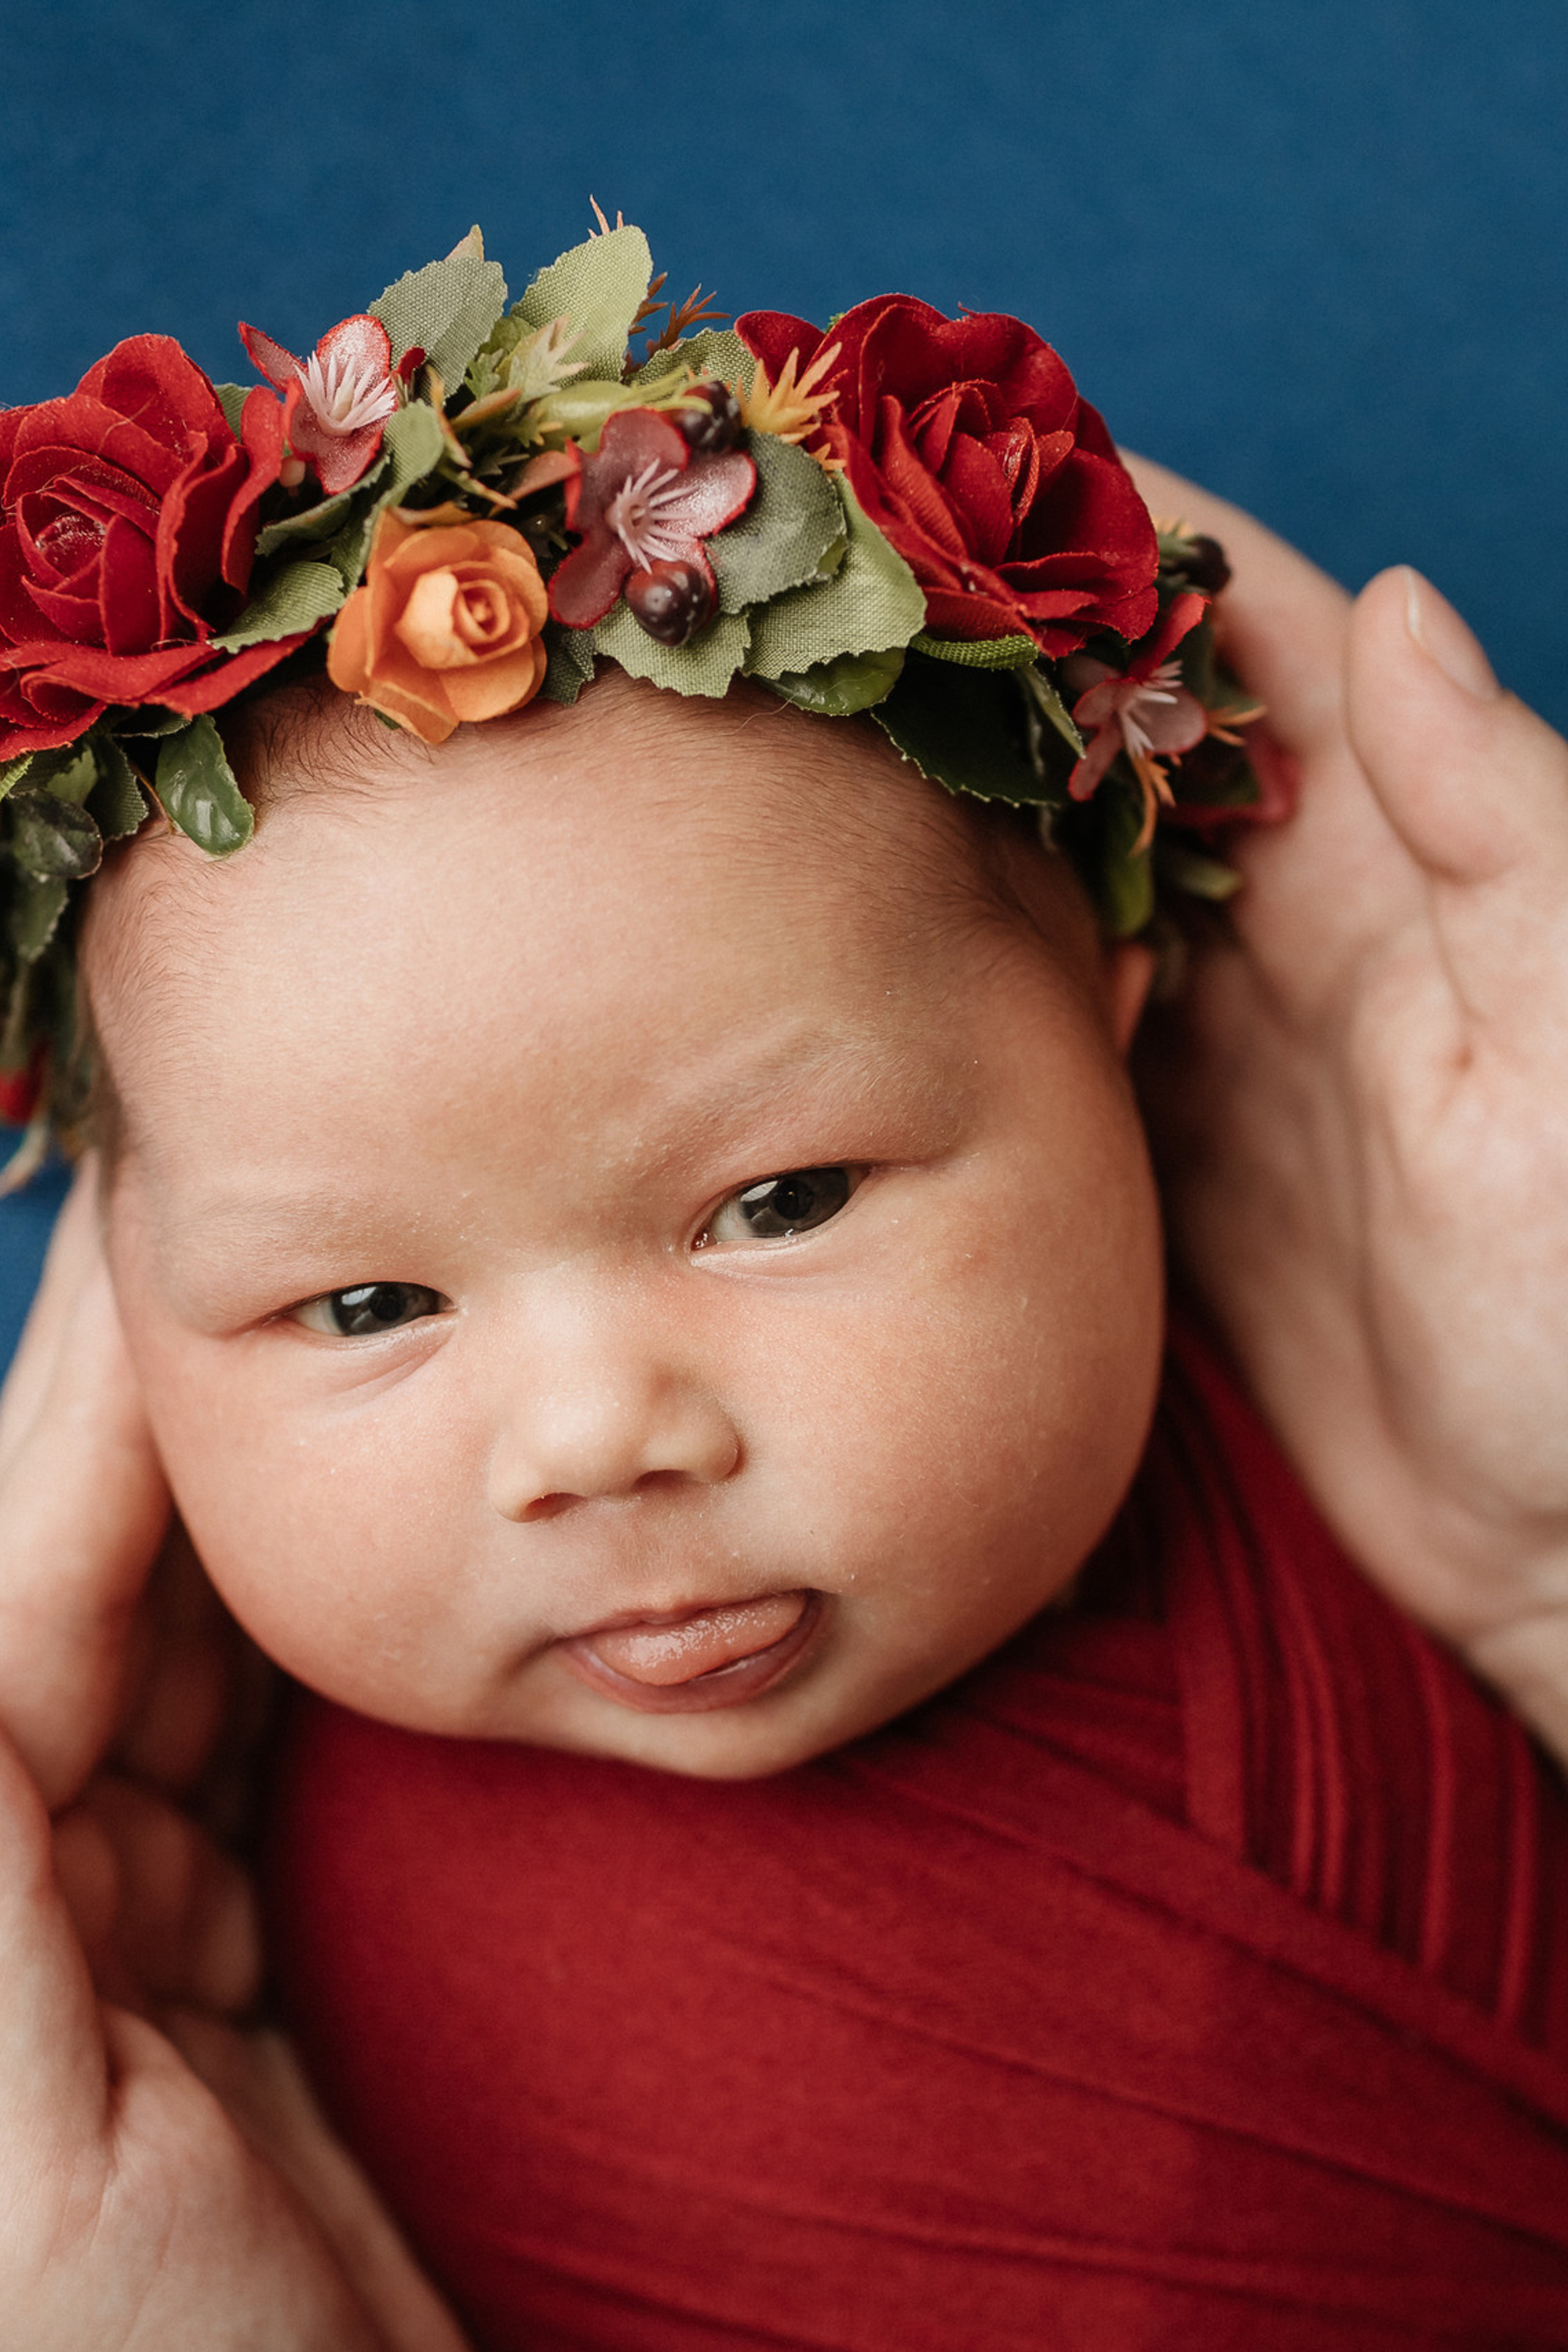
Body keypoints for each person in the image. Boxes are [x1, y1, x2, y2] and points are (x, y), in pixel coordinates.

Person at [2, 222, 1567, 2348]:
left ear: (1120, 1010)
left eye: (786, 1198)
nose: (597, 1438)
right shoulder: (144, 1970)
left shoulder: (1426, 1492)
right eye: (363, 1309)